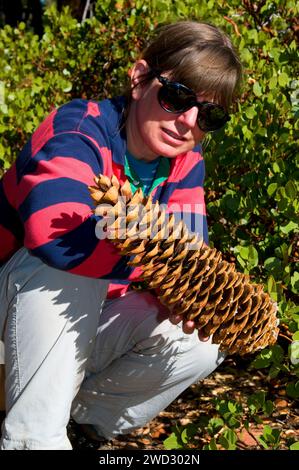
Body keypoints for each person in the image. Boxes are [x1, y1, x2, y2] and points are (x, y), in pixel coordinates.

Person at [0, 20, 242, 449]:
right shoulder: (79, 128)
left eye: (209, 114)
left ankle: (82, 424)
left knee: (197, 341)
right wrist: (163, 266)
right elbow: (54, 236)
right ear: (139, 78)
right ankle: (34, 438)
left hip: (79, 319)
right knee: (70, 270)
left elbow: (188, 258)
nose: (187, 121)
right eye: (177, 97)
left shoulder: (185, 163)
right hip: (17, 303)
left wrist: (190, 295)